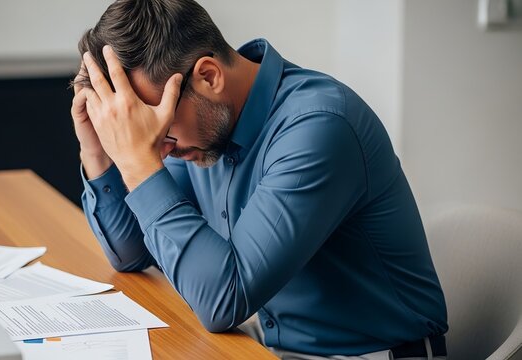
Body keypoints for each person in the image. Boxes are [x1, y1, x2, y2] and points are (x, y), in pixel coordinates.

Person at [70, 0, 448, 358]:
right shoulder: (198, 130)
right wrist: (98, 154)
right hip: (265, 347)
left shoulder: (318, 128)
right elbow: (133, 252)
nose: (160, 149)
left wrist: (138, 163)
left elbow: (223, 300)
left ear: (208, 76)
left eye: (161, 128)